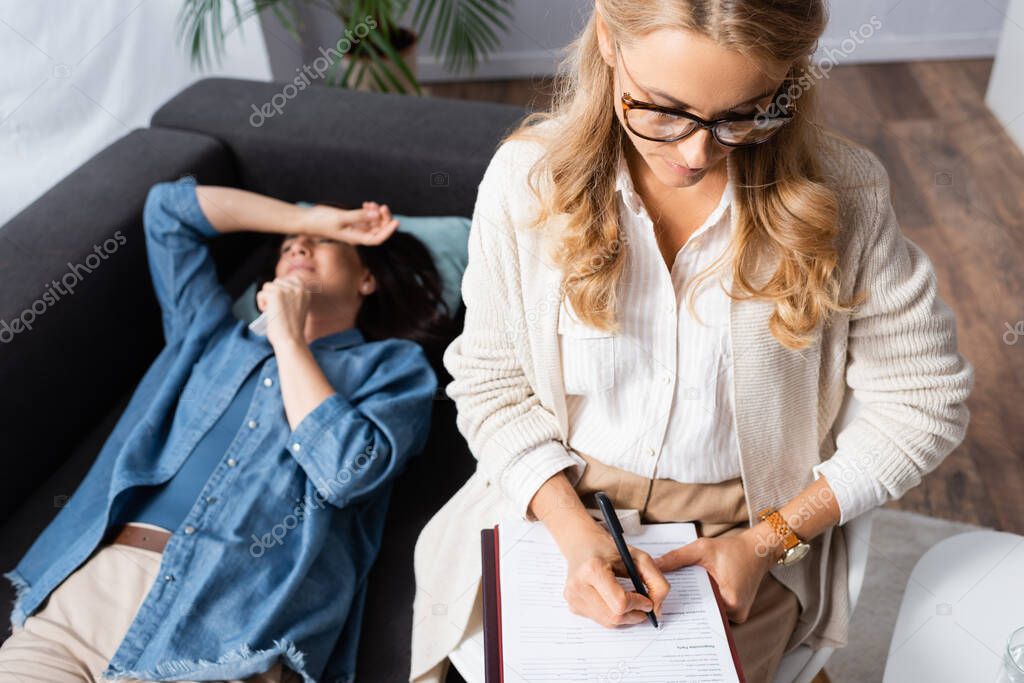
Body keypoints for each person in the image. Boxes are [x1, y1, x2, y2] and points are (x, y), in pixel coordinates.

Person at [410, 2, 974, 682]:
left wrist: (769, 541)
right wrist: (572, 529)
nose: (695, 153)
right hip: (555, 499)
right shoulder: (526, 179)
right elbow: (490, 380)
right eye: (662, 110)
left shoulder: (846, 193)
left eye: (742, 113)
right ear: (608, 41)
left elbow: (924, 403)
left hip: (744, 529)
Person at [0, 177, 446, 682]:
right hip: (86, 596)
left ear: (367, 279)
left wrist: (288, 337)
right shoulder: (209, 336)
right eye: (286, 247)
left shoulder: (394, 369)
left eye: (324, 244)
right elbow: (168, 213)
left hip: (230, 629)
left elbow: (347, 471)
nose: (298, 247)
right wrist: (310, 221)